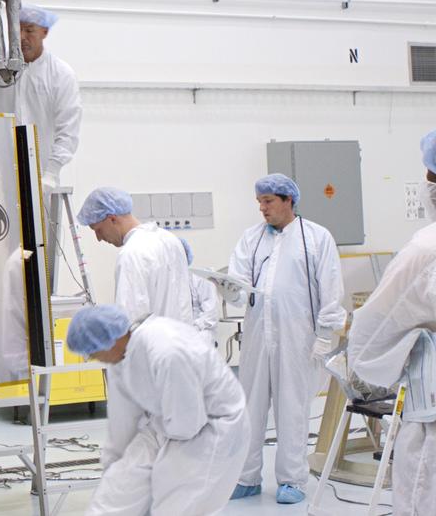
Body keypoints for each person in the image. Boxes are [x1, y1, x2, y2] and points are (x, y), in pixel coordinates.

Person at [225, 173, 346, 504]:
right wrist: (226, 287)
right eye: (259, 202)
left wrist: (324, 336)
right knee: (250, 407)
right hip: (256, 337)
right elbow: (238, 288)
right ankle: (246, 476)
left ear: (288, 201)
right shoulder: (250, 239)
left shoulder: (316, 238)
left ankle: (292, 480)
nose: (262, 208)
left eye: (268, 202)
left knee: (292, 409)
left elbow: (330, 290)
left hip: (298, 338)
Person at [67, 306, 247, 514]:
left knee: (174, 503)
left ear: (108, 340)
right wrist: (114, 466)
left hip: (209, 429)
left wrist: (160, 470)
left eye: (93, 353)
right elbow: (122, 421)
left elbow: (187, 424)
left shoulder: (167, 350)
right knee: (115, 494)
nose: (94, 359)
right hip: (164, 424)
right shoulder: (120, 360)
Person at [346, 129, 436, 516]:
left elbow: (375, 332)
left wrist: (357, 368)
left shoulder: (425, 249)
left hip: (430, 409)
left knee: (421, 491)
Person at [0, 5, 81, 189]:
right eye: (17, 30)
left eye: (29, 30)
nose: (21, 37)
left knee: (39, 217)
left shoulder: (60, 74)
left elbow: (68, 130)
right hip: (0, 170)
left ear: (44, 32)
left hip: (42, 174)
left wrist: (51, 173)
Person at [76, 187, 193, 325]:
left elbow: (129, 319)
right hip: (182, 340)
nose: (99, 238)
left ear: (112, 219)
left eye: (98, 230)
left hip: (152, 345)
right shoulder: (171, 240)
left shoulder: (131, 254)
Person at [180, 237, 219, 340]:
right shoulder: (166, 282)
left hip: (199, 335)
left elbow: (210, 314)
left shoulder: (201, 278)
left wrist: (193, 330)